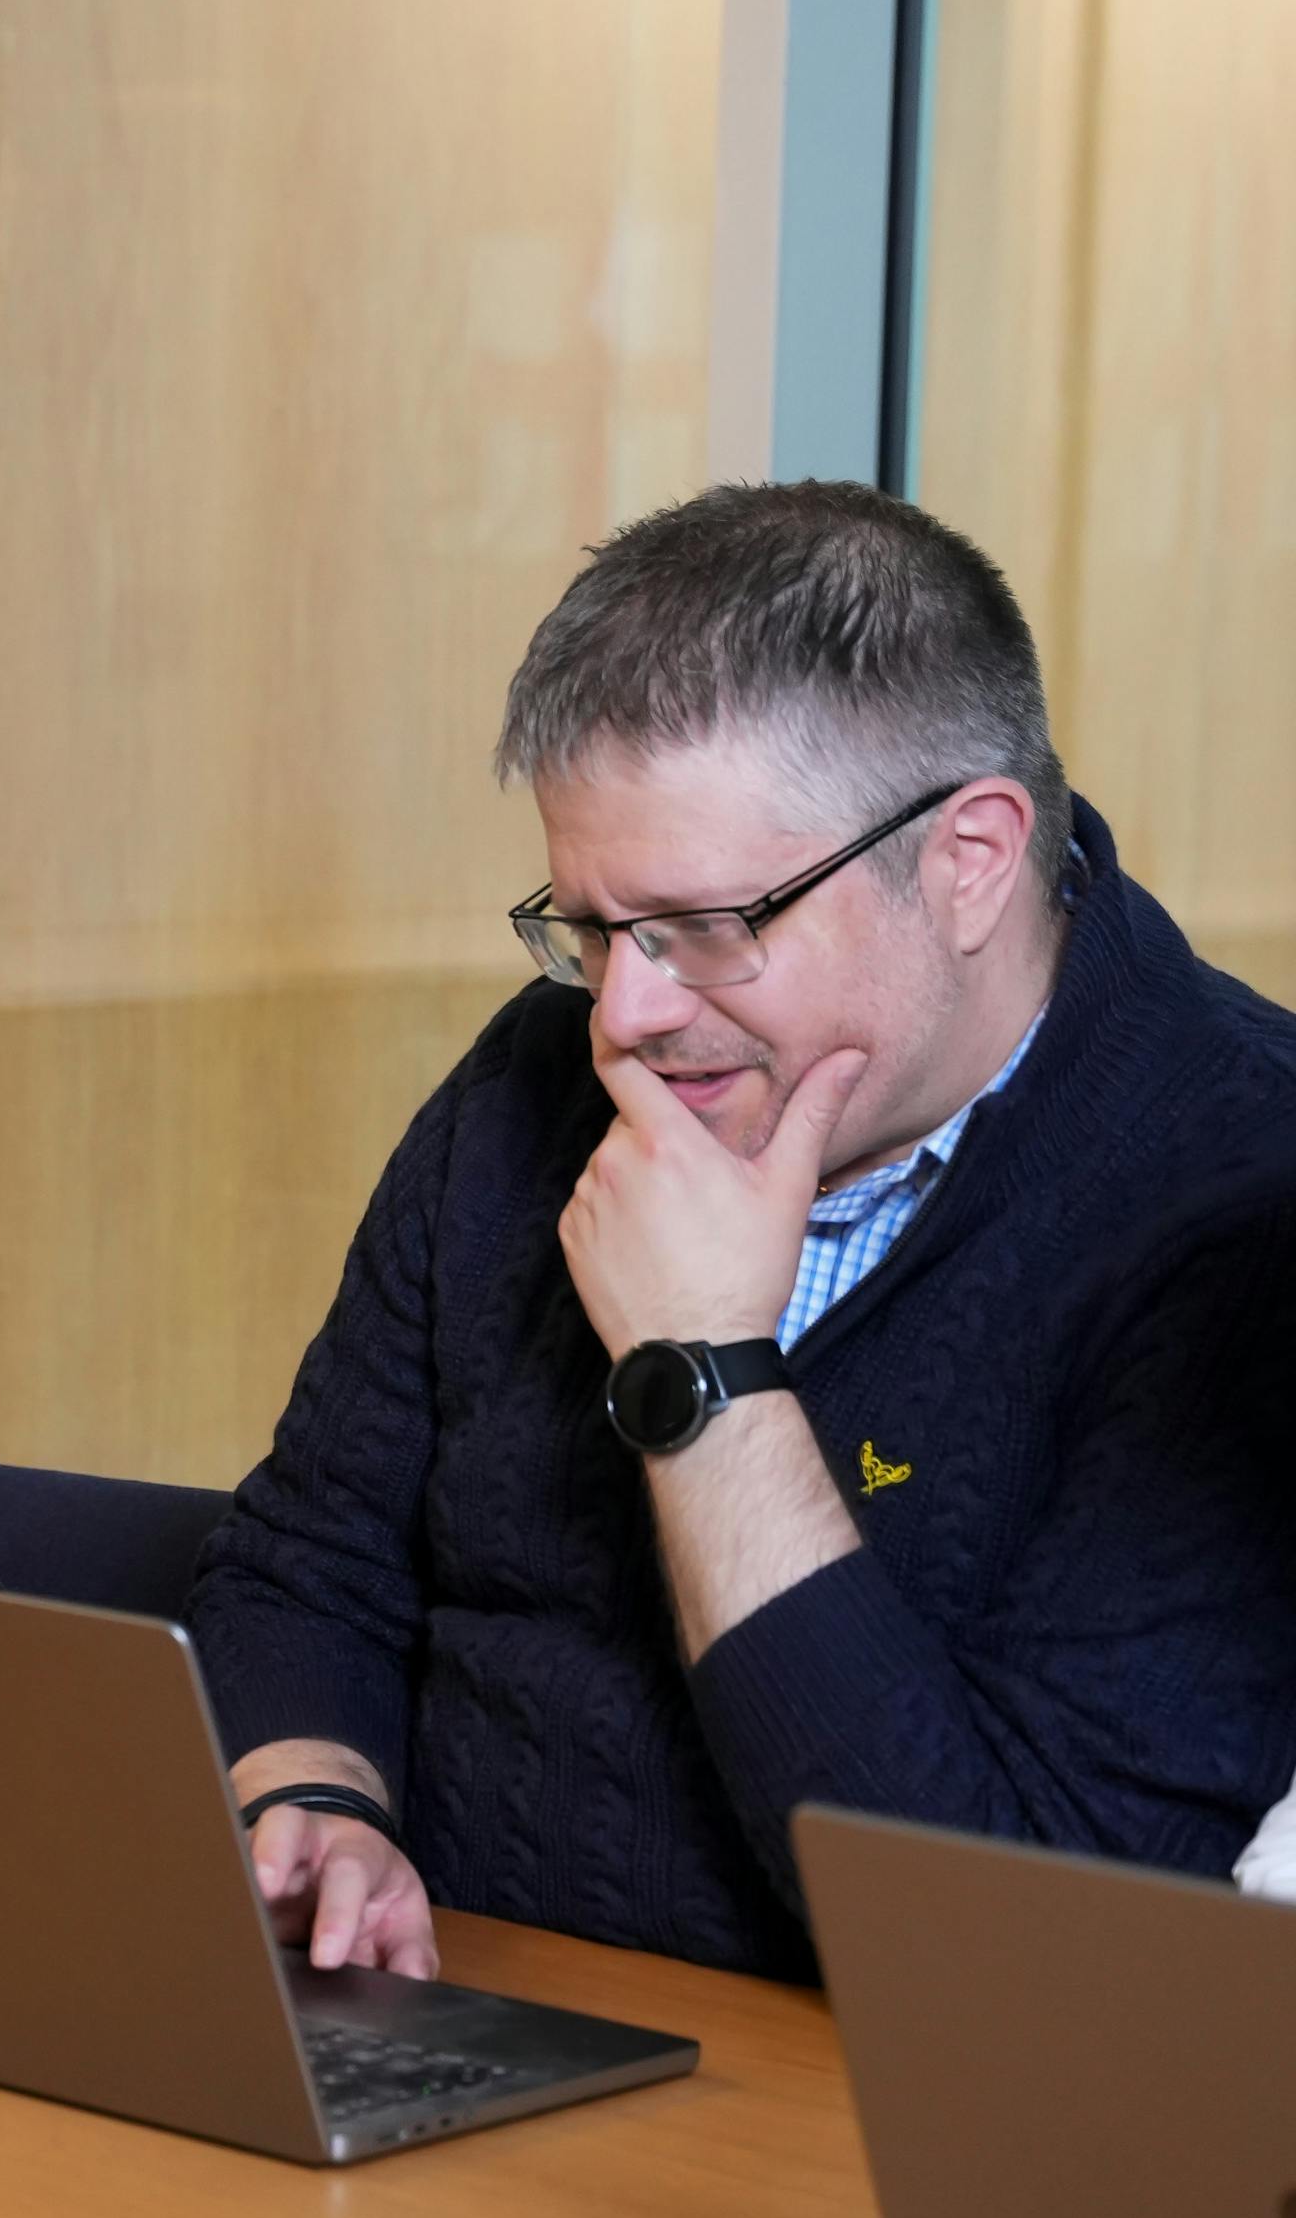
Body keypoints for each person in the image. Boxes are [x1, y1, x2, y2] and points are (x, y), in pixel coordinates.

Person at [186, 480, 1296, 1980]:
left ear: (968, 860)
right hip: (457, 2030)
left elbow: (1009, 1941)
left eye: (706, 926)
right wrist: (317, 1804)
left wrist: (703, 1374)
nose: (625, 1018)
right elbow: (307, 1565)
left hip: (866, 2145)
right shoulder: (531, 1087)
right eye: (588, 929)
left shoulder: (1241, 1206)